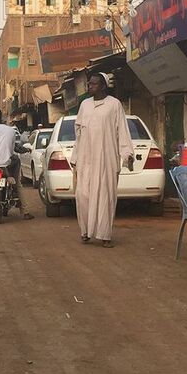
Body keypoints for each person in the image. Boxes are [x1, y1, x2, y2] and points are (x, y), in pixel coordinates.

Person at [71, 72, 133, 248]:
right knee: (83, 195)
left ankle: (105, 236)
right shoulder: (84, 105)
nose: (90, 87)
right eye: (89, 84)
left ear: (103, 86)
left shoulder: (114, 105)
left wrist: (127, 154)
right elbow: (79, 133)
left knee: (105, 197)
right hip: (85, 158)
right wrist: (75, 157)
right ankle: (85, 232)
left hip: (106, 159)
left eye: (94, 84)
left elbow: (122, 131)